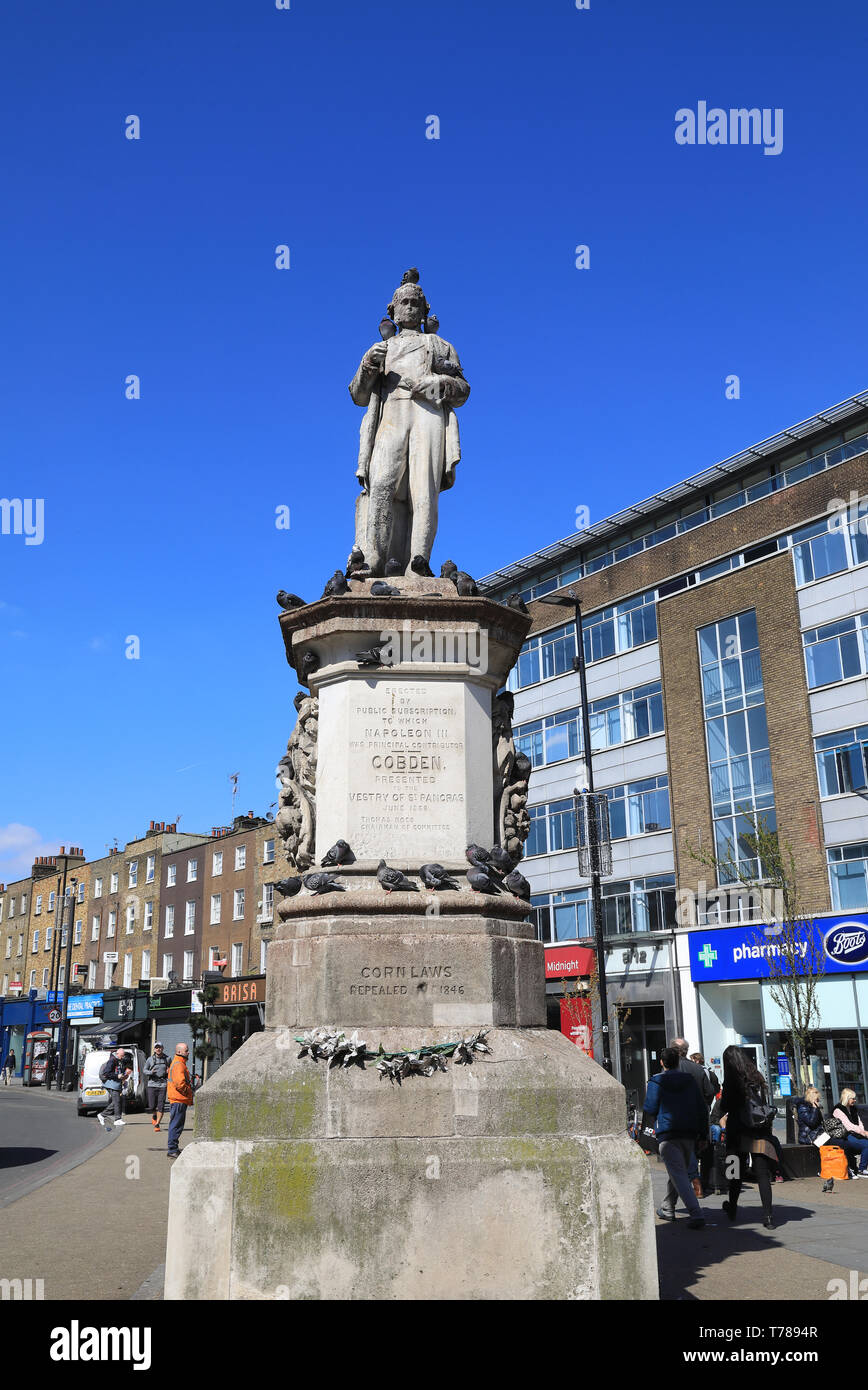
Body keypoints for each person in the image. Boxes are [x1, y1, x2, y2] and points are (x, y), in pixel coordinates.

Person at [643, 1046, 709, 1229]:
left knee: (679, 1174)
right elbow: (701, 1108)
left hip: (668, 1132)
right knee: (678, 1172)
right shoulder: (689, 1081)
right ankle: (668, 1207)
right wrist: (703, 1134)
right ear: (678, 1061)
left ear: (662, 1062)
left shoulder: (656, 1082)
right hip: (689, 1132)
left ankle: (696, 1213)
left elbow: (649, 1108)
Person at [720, 1044, 777, 1228]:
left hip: (738, 1132)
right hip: (759, 1131)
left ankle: (732, 1206)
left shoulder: (732, 1081)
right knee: (762, 1174)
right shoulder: (757, 1077)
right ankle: (768, 1216)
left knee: (735, 1170)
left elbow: (724, 1106)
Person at [167, 1042, 193, 1159]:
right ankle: (172, 1149)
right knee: (176, 1125)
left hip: (178, 1099)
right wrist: (189, 1091)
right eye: (186, 1050)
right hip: (178, 1099)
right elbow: (180, 1084)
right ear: (179, 1052)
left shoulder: (179, 1063)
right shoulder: (179, 1064)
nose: (188, 1052)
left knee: (176, 1124)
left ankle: (173, 1148)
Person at [833, 1089, 868, 1177]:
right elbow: (848, 1126)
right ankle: (861, 1169)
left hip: (855, 1134)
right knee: (866, 1144)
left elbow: (859, 1122)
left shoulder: (853, 1109)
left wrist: (863, 1131)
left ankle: (862, 1168)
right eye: (852, 1098)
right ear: (847, 1098)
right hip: (844, 1136)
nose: (854, 1100)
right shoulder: (838, 1110)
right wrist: (863, 1133)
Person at [97, 1047, 132, 1128]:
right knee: (117, 1101)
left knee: (117, 1101)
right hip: (111, 1085)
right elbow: (106, 1073)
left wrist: (125, 1075)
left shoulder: (120, 1061)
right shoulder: (112, 1060)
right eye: (122, 1055)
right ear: (117, 1054)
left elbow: (119, 1073)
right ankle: (116, 1119)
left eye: (123, 1056)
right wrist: (117, 1076)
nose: (123, 1057)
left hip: (116, 1085)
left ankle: (103, 1115)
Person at [144, 1042, 168, 1132]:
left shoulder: (167, 1059)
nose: (158, 1049)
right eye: (156, 1048)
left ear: (162, 1048)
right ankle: (154, 1114)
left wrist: (169, 1071)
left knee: (161, 1106)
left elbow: (172, 1068)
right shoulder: (150, 1059)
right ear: (154, 1049)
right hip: (152, 1084)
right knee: (151, 1106)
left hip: (163, 1084)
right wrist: (151, 1072)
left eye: (160, 1047)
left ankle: (157, 1124)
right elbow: (144, 1070)